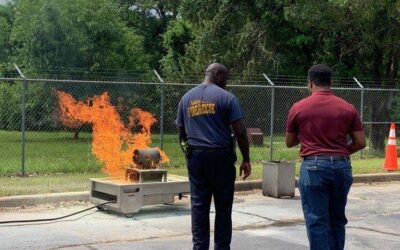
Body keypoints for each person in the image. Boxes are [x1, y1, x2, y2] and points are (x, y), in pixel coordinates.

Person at [286, 64, 366, 250]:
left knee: (317, 221)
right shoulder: (348, 108)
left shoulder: (299, 107)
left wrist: (307, 134)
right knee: (337, 220)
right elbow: (360, 142)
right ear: (331, 83)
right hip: (341, 166)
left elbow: (289, 142)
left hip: (313, 167)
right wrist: (341, 152)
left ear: (310, 83)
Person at [177, 63, 251, 250]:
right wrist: (246, 159)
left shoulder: (186, 99)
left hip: (197, 158)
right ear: (218, 75)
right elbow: (240, 131)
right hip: (221, 158)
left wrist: (191, 154)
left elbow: (181, 133)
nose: (226, 83)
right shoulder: (227, 98)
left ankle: (199, 247)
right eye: (225, 78)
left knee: (199, 207)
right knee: (223, 208)